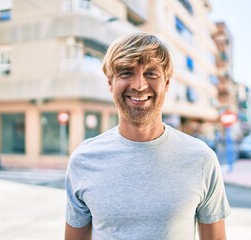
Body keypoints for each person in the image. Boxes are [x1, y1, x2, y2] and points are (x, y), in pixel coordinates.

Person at [64, 32, 231, 240]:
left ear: (167, 83)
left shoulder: (202, 159)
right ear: (110, 83)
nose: (139, 85)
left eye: (151, 73)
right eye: (126, 73)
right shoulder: (83, 159)